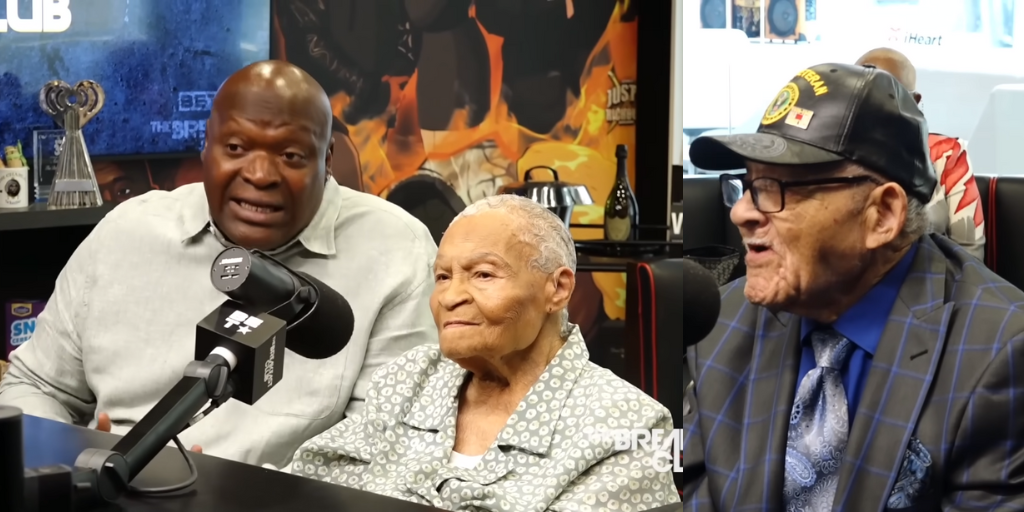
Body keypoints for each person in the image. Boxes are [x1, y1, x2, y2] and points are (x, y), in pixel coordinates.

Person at [0, 60, 438, 469]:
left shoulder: (395, 251)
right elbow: (35, 386)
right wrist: (65, 455)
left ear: (326, 162)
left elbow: (385, 450)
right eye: (236, 147)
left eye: (291, 156)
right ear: (205, 147)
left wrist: (226, 491)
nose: (261, 174)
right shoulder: (126, 233)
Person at [682, 63, 1024, 511]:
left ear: (881, 215)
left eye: (775, 188)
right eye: (746, 185)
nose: (742, 213)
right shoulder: (720, 327)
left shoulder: (999, 353)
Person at [289, 195, 679, 511]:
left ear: (557, 289)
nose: (450, 297)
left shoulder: (634, 425)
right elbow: (308, 483)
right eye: (442, 277)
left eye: (483, 275)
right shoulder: (409, 378)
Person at [855, 47, 985, 260]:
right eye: (861, 93)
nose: (872, 103)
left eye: (886, 94)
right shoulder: (833, 154)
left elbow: (970, 254)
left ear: (914, 101)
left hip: (937, 285)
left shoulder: (946, 155)